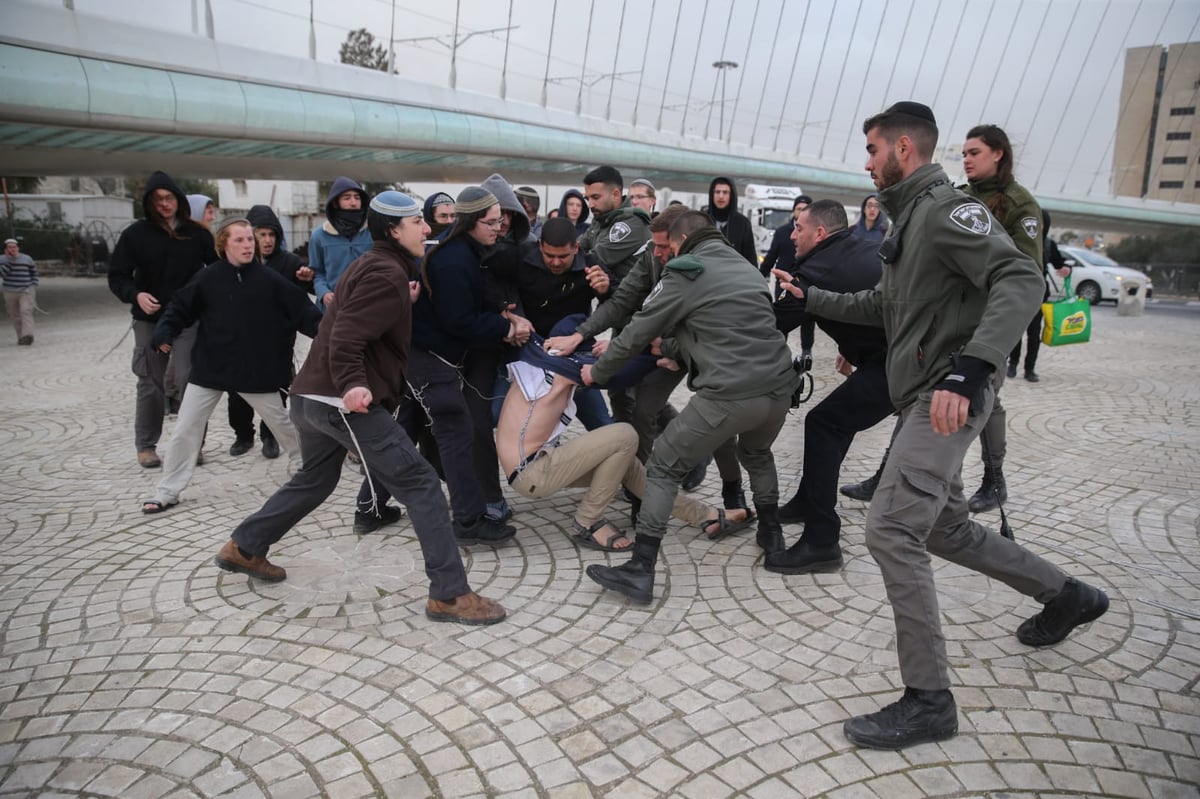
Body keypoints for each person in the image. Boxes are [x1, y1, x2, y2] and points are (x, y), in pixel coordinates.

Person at [779, 101, 1108, 750]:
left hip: (949, 393)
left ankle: (929, 700)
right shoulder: (911, 218)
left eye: (872, 149)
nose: (866, 161)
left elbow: (1020, 276)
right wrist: (810, 299)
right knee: (945, 529)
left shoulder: (945, 210)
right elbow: (884, 304)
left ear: (904, 147)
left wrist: (970, 369)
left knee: (892, 524)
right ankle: (1067, 595)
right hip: (923, 394)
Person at [212, 191, 508, 626]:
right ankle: (449, 594)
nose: (427, 229)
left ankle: (244, 545)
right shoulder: (384, 272)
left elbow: (350, 317)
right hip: (342, 401)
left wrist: (399, 304)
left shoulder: (373, 266)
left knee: (316, 478)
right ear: (392, 229)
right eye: (416, 223)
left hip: (310, 397)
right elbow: (348, 335)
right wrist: (353, 384)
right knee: (423, 483)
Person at [580, 211, 798, 605]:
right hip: (779, 390)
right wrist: (672, 349)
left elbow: (636, 331)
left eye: (667, 247)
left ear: (682, 241)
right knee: (757, 454)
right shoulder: (747, 269)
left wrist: (597, 373)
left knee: (662, 465)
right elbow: (726, 332)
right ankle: (773, 538)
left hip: (730, 394)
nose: (662, 255)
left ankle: (641, 569)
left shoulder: (686, 271)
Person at [544, 205, 753, 511]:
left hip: (699, 352)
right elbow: (623, 303)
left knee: (719, 422)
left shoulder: (706, 267)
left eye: (663, 247)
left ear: (684, 241)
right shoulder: (651, 256)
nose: (656, 253)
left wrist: (670, 349)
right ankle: (639, 489)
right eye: (654, 245)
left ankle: (732, 485)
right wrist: (579, 336)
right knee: (643, 407)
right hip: (655, 345)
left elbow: (715, 332)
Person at [497, 336, 751, 551]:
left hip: (539, 464)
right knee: (624, 434)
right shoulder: (556, 373)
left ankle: (706, 517)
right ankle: (586, 522)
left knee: (627, 464)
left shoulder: (544, 364)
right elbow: (621, 375)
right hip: (530, 473)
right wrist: (659, 354)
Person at [141, 217, 320, 514]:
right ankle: (167, 490)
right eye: (240, 240)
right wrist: (164, 332)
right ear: (224, 244)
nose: (248, 245)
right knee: (186, 428)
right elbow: (180, 307)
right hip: (210, 368)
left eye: (250, 239)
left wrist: (332, 337)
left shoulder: (270, 280)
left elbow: (305, 313)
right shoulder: (208, 278)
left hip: (254, 371)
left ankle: (308, 469)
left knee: (283, 424)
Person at [765, 200, 890, 575]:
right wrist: (853, 348)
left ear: (820, 233)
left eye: (798, 227)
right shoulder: (863, 246)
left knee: (823, 423)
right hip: (894, 354)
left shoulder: (815, 270)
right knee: (838, 420)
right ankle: (808, 500)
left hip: (901, 365)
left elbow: (769, 328)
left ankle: (822, 542)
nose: (792, 234)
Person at [396, 186, 526, 544]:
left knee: (419, 432)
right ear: (470, 221)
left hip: (430, 356)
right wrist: (505, 327)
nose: (498, 228)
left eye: (500, 221)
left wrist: (502, 315)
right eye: (491, 222)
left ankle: (372, 505)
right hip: (430, 359)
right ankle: (468, 523)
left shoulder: (465, 252)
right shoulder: (456, 260)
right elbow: (458, 321)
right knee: (455, 436)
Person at [960, 123, 1044, 513]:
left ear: (998, 154)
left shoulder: (1018, 203)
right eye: (963, 153)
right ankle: (894, 471)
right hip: (954, 316)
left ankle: (994, 480)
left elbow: (1026, 274)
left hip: (990, 321)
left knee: (984, 399)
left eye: (974, 152)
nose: (966, 160)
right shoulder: (958, 198)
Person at [108, 170, 216, 468]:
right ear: (149, 203)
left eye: (168, 198)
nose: (164, 204)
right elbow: (117, 276)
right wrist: (136, 294)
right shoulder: (135, 235)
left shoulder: (198, 234)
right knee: (150, 383)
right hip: (148, 318)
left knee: (190, 381)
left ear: (178, 199)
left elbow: (216, 272)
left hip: (187, 319)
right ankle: (146, 445)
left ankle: (194, 445)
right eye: (157, 199)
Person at [226, 204, 316, 460]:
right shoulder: (235, 264)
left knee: (276, 390)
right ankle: (243, 434)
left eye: (271, 235)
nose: (266, 240)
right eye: (260, 234)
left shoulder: (289, 262)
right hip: (241, 340)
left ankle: (270, 435)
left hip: (277, 340)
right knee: (237, 392)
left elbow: (304, 293)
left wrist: (307, 277)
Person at [1009, 208, 1070, 382]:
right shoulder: (1019, 241)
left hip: (1039, 295)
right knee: (1016, 332)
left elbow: (1060, 263)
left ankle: (1030, 369)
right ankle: (1012, 365)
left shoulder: (1049, 244)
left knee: (1034, 335)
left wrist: (1066, 269)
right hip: (1019, 293)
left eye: (1041, 222)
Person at [759, 194, 816, 367]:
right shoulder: (783, 232)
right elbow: (771, 256)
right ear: (793, 210)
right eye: (798, 209)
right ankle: (778, 348)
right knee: (781, 316)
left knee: (808, 317)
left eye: (805, 210)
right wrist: (761, 274)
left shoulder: (813, 233)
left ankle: (807, 351)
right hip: (783, 282)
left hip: (805, 281)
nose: (800, 212)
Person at [310, 177, 372, 312]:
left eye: (357, 197)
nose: (353, 202)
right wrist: (324, 293)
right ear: (335, 203)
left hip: (367, 308)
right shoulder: (319, 236)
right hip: (332, 311)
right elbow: (317, 272)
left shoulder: (372, 233)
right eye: (347, 198)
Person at [703, 176, 758, 266]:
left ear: (731, 195)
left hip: (734, 275)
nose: (721, 196)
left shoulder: (742, 223)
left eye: (725, 192)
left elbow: (750, 257)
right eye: (717, 192)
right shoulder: (703, 220)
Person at [1, 238, 38, 346]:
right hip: (9, 291)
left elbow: (33, 272)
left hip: (26, 290)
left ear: (18, 248)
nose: (12, 249)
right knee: (15, 315)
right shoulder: (2, 260)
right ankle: (21, 336)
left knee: (25, 311)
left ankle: (28, 335)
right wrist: (10, 260)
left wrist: (34, 283)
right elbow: (2, 274)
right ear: (5, 249)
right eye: (10, 247)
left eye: (14, 247)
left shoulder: (27, 258)